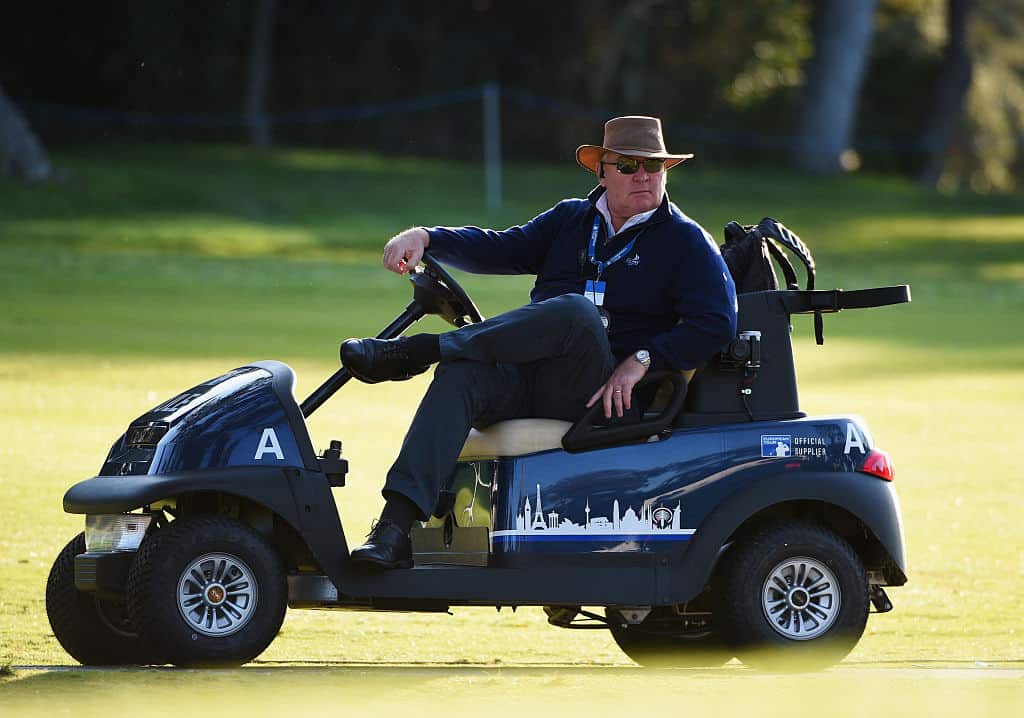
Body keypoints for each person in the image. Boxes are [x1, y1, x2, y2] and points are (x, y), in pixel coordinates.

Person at [340, 115, 737, 569]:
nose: (643, 176)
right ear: (602, 172)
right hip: (532, 377)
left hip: (602, 395)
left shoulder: (686, 240)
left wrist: (644, 358)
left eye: (654, 166)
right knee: (463, 372)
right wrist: (428, 237)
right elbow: (500, 247)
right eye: (628, 166)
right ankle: (393, 530)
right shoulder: (570, 219)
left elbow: (717, 322)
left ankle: (420, 350)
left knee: (576, 312)